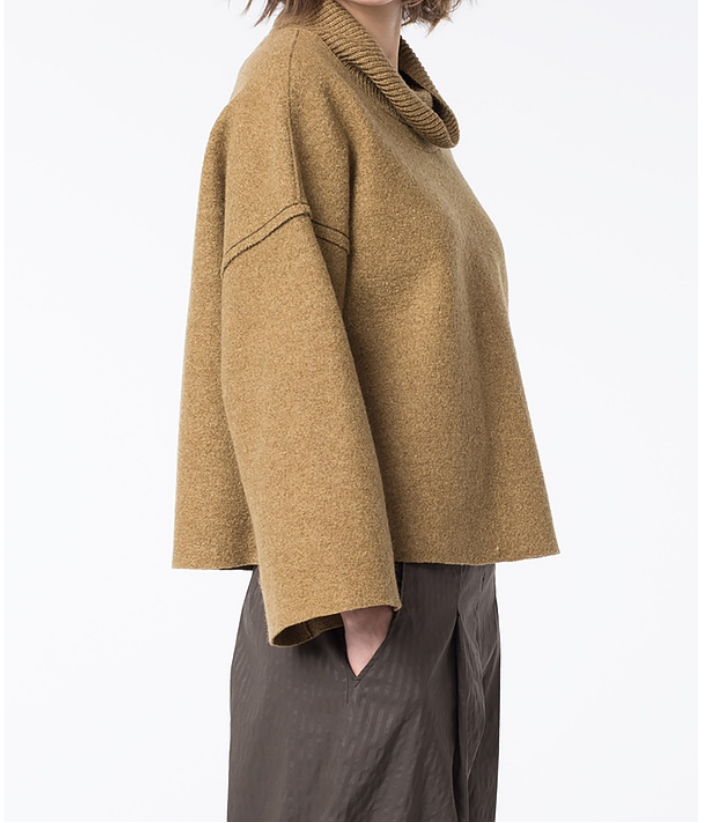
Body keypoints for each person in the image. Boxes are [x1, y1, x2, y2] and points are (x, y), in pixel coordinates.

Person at [171, 0, 561, 819]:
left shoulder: (402, 109)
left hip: (447, 583)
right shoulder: (292, 78)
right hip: (357, 594)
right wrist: (356, 601)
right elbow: (280, 346)